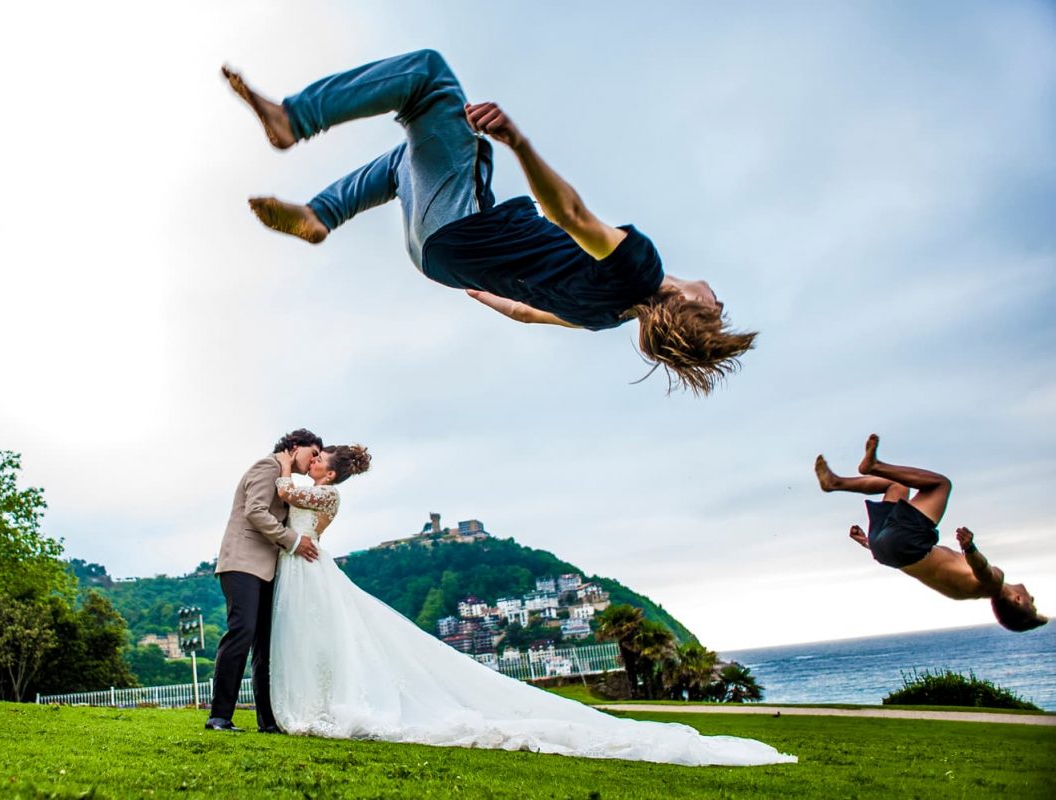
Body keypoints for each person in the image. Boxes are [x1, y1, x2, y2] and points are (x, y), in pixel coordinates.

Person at [221, 50, 755, 394]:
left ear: (686, 303)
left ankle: (297, 118)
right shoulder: (603, 317)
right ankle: (322, 214)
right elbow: (523, 312)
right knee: (420, 158)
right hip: (440, 260)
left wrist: (518, 141)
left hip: (460, 230)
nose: (719, 302)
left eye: (716, 310)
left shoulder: (639, 268)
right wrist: (476, 285)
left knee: (429, 78)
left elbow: (568, 215)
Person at [264, 443, 796, 766]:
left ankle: (320, 708)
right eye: (313, 458)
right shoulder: (318, 488)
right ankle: (310, 705)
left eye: (319, 460)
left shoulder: (326, 494)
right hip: (299, 564)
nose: (313, 462)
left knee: (322, 634)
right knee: (313, 638)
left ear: (329, 474)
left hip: (308, 566)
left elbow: (285, 492)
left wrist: (285, 460)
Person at [815, 434, 1046, 632]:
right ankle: (834, 482)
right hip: (885, 550)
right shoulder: (959, 593)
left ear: (1017, 600)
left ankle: (872, 467)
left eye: (1032, 604)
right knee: (896, 487)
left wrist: (970, 548)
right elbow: (910, 563)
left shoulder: (995, 583)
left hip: (907, 543)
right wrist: (869, 542)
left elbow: (983, 570)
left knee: (940, 485)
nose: (1032, 598)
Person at [205, 428, 325, 733]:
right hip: (242, 563)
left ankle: (268, 721)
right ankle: (219, 716)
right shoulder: (266, 466)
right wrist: (293, 540)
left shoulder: (282, 474)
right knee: (240, 634)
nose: (313, 461)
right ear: (295, 446)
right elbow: (255, 511)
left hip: (268, 569)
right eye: (312, 453)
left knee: (265, 645)